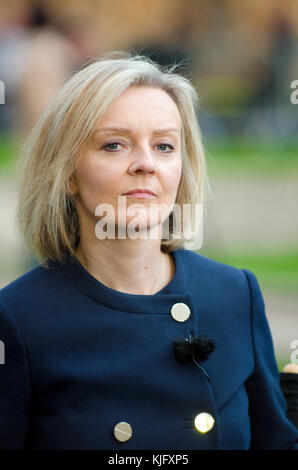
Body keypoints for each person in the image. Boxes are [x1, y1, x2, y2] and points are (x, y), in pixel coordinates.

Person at [0, 51, 297, 450]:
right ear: (67, 173)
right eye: (114, 145)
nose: (145, 164)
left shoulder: (235, 294)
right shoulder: (18, 318)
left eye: (164, 146)